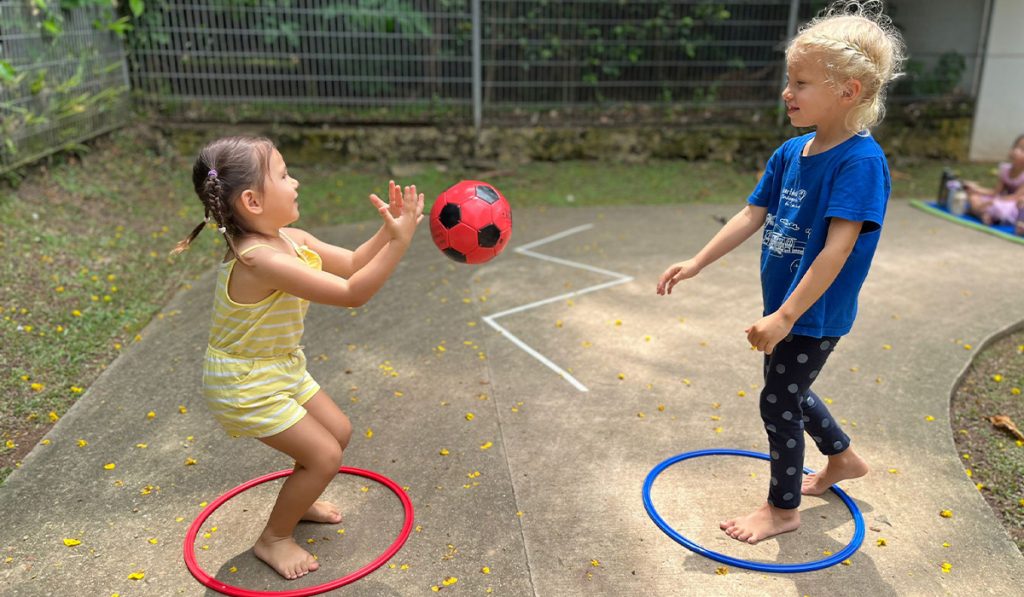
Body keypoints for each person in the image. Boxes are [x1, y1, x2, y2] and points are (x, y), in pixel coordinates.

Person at [656, 0, 904, 544]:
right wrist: (697, 262)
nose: (787, 92)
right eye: (788, 80)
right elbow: (751, 212)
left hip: (814, 311)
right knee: (788, 388)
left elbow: (836, 252)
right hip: (788, 307)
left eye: (801, 82)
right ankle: (843, 460)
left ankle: (782, 508)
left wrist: (786, 315)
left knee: (778, 400)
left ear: (849, 91)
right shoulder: (792, 151)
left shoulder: (860, 163)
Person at [171, 136, 424, 579]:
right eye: (284, 175)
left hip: (279, 365)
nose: (296, 181)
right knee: (325, 456)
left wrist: (389, 228)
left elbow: (349, 263)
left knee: (338, 431)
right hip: (243, 382)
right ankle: (273, 538)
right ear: (252, 200)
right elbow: (352, 293)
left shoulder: (292, 238)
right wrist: (401, 245)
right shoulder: (259, 259)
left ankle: (299, 498)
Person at [964, 134, 1024, 234]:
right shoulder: (1005, 169)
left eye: (1022, 150)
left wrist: (993, 202)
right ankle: (984, 214)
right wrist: (976, 189)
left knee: (1000, 208)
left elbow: (1015, 197)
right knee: (973, 197)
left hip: (1014, 205)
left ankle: (980, 213)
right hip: (1002, 199)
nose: (1016, 151)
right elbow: (994, 192)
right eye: (1016, 147)